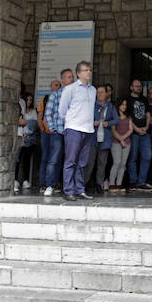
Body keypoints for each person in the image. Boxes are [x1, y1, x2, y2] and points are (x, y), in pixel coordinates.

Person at [58, 60, 97, 201]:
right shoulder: (70, 89)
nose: (89, 72)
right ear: (79, 73)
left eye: (90, 70)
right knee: (70, 161)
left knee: (82, 162)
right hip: (74, 129)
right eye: (86, 70)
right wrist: (70, 122)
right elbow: (62, 111)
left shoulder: (93, 90)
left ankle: (80, 190)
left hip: (88, 130)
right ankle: (68, 190)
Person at [41, 70, 74, 196]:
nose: (72, 79)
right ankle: (50, 185)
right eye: (69, 77)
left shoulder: (75, 95)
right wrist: (53, 128)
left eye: (72, 77)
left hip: (72, 132)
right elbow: (47, 113)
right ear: (63, 80)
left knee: (70, 160)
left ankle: (68, 186)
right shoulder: (55, 95)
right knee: (54, 160)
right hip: (58, 132)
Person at [89, 85, 118, 194]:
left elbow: (116, 120)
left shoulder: (110, 106)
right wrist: (92, 123)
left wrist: (108, 123)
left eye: (102, 92)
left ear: (106, 94)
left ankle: (99, 184)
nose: (99, 94)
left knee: (102, 163)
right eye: (98, 92)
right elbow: (86, 118)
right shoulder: (92, 106)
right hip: (93, 138)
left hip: (105, 138)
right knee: (90, 162)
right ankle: (85, 183)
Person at [127, 79, 152, 191]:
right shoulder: (127, 100)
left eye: (140, 86)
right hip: (133, 133)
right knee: (132, 157)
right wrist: (136, 129)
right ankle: (133, 181)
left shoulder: (144, 100)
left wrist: (146, 127)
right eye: (136, 86)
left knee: (147, 156)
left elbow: (148, 115)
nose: (139, 88)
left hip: (145, 132)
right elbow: (128, 117)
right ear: (131, 87)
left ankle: (141, 181)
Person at [15, 92, 40, 192]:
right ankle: (15, 179)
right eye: (27, 100)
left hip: (28, 137)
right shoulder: (21, 108)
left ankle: (25, 179)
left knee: (25, 159)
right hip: (21, 135)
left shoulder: (33, 111)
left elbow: (33, 124)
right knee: (17, 159)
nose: (29, 102)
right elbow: (22, 122)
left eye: (30, 100)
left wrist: (27, 128)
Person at [109, 97, 133, 191]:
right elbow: (113, 130)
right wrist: (120, 139)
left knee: (123, 164)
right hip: (115, 142)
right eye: (122, 104)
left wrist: (123, 139)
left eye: (125, 105)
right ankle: (111, 183)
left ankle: (119, 184)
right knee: (117, 162)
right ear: (118, 105)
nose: (124, 106)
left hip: (127, 142)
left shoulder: (128, 116)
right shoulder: (114, 116)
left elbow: (131, 129)